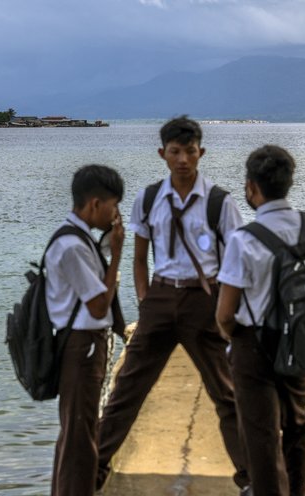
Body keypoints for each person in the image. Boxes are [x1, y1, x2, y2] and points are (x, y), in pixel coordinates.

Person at [96, 116, 250, 494]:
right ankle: (93, 467)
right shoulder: (148, 199)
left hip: (205, 301)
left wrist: (226, 311)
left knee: (225, 393)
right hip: (161, 297)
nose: (183, 159)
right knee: (128, 389)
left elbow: (235, 259)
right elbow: (139, 257)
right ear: (162, 153)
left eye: (191, 151)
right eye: (176, 152)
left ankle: (250, 478)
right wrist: (146, 300)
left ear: (202, 153)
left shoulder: (219, 202)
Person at [216, 145, 305, 496]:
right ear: (289, 182)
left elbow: (224, 313)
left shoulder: (244, 240)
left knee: (261, 434)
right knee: (297, 422)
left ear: (251, 187)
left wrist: (238, 341)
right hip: (302, 339)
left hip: (255, 345)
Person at [46, 164, 125, 496]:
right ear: (95, 204)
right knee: (80, 440)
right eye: (114, 205)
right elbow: (98, 306)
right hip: (82, 348)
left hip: (82, 345)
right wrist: (118, 255)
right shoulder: (73, 247)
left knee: (77, 433)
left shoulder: (78, 239)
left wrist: (108, 246)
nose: (116, 213)